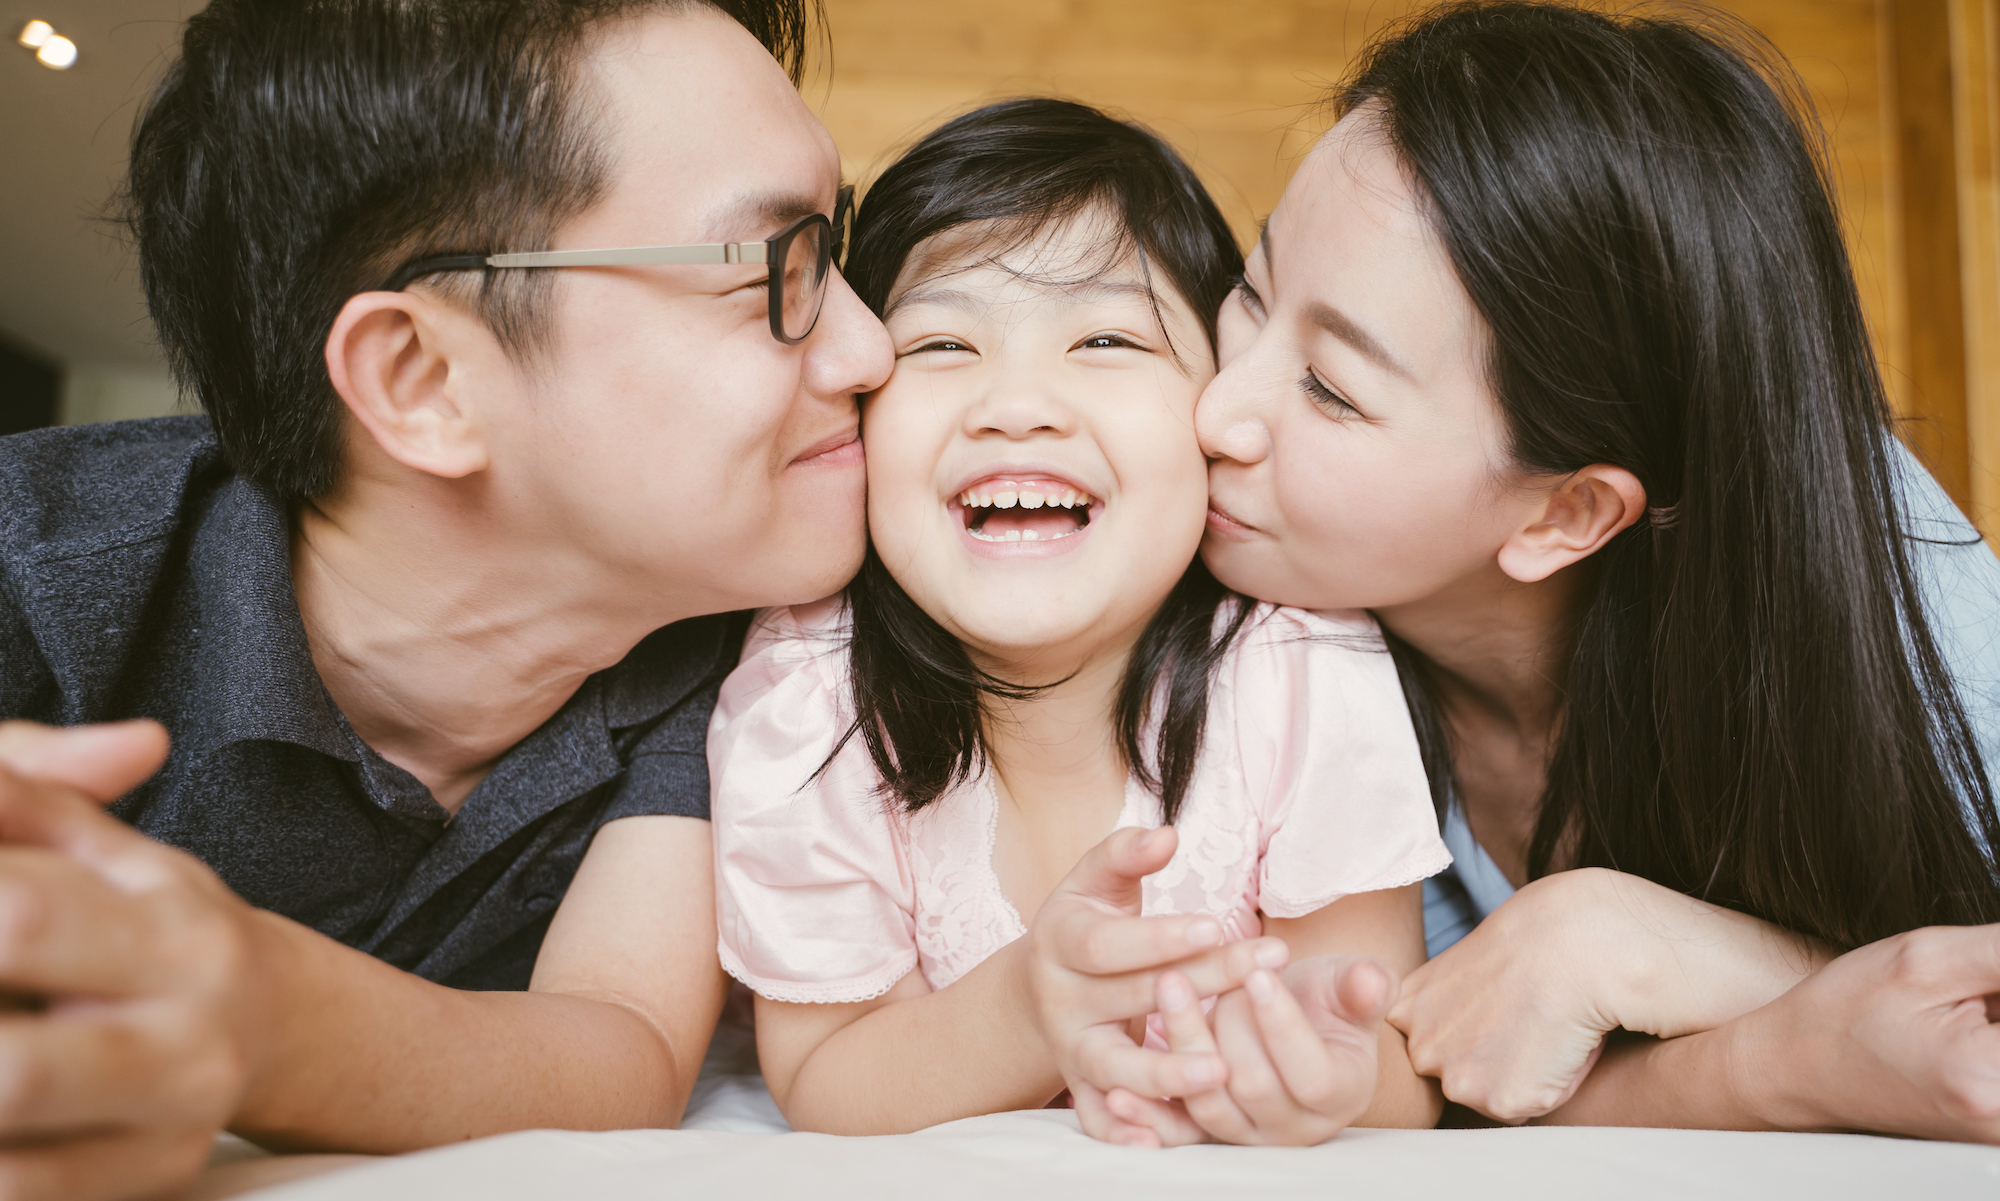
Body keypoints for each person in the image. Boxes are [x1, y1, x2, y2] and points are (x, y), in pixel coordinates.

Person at [1057, 0, 2000, 1146]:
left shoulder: (1889, 592)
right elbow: (1460, 1084)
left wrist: (1637, 944)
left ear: (1568, 511)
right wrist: (1776, 1049)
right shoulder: (1215, 588)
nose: (1215, 411)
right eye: (1250, 293)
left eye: (1332, 390)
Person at [0, 1, 900, 1197]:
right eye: (777, 270)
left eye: (833, 253)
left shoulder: (732, 646)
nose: (870, 348)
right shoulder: (39, 576)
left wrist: (259, 1012)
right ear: (422, 380)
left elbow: (619, 1052)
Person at [706, 98, 1450, 1142]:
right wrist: (1025, 1011)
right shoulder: (806, 702)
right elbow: (826, 1080)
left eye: (1104, 338)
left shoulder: (1298, 667)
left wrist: (1321, 1079)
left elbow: (1380, 1048)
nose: (1016, 403)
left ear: (1216, 415)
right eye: (941, 344)